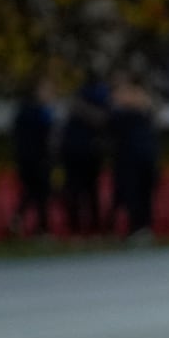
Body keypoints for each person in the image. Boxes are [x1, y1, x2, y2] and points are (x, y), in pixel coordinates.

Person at [110, 72, 161, 242]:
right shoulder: (120, 109)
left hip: (143, 154)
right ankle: (135, 226)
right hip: (129, 156)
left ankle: (144, 226)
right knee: (132, 192)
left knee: (144, 191)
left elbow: (155, 112)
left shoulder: (144, 104)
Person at [60, 74, 109, 234]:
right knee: (86, 192)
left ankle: (78, 227)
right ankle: (92, 227)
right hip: (85, 152)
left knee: (79, 191)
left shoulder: (78, 102)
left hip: (79, 152)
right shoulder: (99, 99)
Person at [11, 74, 59, 238]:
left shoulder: (36, 110)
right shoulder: (33, 112)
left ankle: (32, 225)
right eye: (46, 90)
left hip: (37, 158)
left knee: (37, 193)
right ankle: (40, 228)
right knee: (37, 192)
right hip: (34, 159)